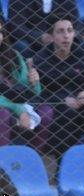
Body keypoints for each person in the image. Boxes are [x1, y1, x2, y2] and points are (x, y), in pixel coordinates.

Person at [33, 13, 84, 155]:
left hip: (83, 106)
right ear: (51, 36)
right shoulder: (40, 59)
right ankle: (64, 166)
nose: (66, 36)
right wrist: (62, 100)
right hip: (56, 107)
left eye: (70, 30)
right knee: (68, 115)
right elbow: (38, 93)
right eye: (60, 31)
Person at [0, 17, 51, 151]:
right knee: (3, 115)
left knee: (46, 112)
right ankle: (3, 162)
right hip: (6, 107)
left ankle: (31, 157)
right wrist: (20, 110)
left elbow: (31, 92)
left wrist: (34, 82)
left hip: (18, 103)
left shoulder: (13, 55)